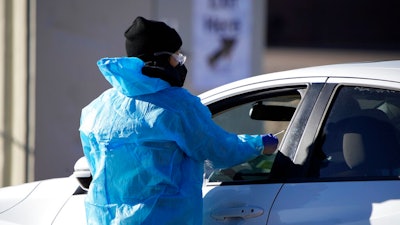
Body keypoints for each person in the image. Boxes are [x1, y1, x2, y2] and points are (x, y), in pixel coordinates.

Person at [79, 16, 278, 225]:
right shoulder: (179, 106)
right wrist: (260, 144)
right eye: (176, 56)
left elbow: (95, 166)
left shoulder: (97, 109)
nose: (180, 63)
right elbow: (217, 150)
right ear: (159, 58)